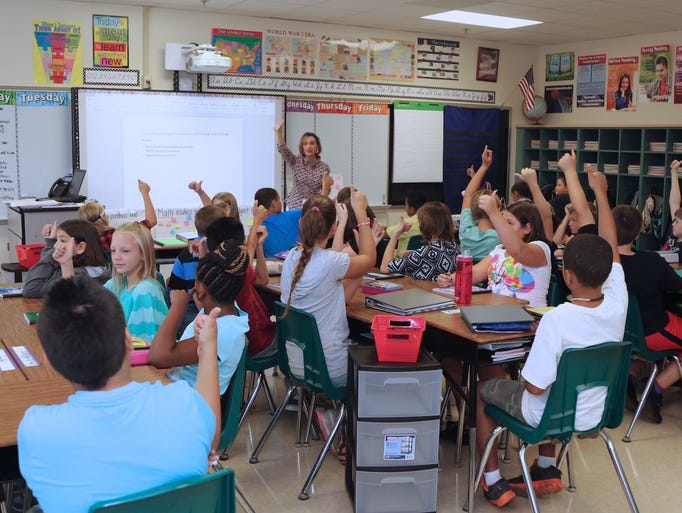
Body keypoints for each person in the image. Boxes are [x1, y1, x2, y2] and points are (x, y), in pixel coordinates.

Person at [476, 169, 626, 507]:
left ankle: (493, 481)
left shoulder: (557, 319)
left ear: (567, 275)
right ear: (608, 273)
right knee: (556, 384)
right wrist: (599, 193)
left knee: (483, 393)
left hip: (549, 415)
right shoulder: (618, 302)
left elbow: (532, 388)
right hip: (596, 413)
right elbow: (611, 249)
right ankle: (546, 467)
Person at [17, 275, 220, 513]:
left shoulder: (36, 430)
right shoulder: (186, 406)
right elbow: (211, 434)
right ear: (128, 339)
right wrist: (207, 347)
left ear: (49, 362)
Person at [280, 189, 375, 386]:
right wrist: (360, 213)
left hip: (298, 365)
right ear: (333, 227)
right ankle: (336, 412)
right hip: (331, 369)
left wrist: (339, 227)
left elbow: (331, 263)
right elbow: (369, 259)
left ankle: (327, 410)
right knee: (376, 351)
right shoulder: (331, 263)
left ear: (301, 223)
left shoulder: (291, 258)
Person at [149, 240, 249, 395]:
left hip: (190, 409)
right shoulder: (223, 311)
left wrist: (177, 306)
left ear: (200, 289)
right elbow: (217, 280)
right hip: (184, 394)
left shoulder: (219, 332)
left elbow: (157, 357)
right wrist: (205, 260)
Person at [614, 204, 682, 423]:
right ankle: (655, 389)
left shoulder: (606, 263)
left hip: (623, 331)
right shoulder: (651, 261)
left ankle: (631, 378)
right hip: (652, 331)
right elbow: (676, 285)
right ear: (636, 234)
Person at [205, 216, 277, 358]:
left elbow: (262, 280)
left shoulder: (209, 272)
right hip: (258, 344)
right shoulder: (239, 270)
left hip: (233, 347)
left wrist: (259, 246)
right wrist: (259, 246)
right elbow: (263, 280)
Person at [168, 205, 227, 338]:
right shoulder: (192, 255)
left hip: (202, 306)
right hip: (187, 310)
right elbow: (199, 300)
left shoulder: (212, 249)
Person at [104, 222, 168, 342]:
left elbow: (141, 346)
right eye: (113, 250)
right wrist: (66, 263)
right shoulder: (115, 284)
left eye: (125, 251)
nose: (116, 256)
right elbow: (81, 302)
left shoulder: (145, 289)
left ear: (143, 254)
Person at [22, 219, 110, 298]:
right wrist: (50, 241)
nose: (55, 245)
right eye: (56, 240)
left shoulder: (82, 274)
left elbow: (31, 289)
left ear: (80, 247)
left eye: (63, 241)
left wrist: (51, 253)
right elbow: (43, 274)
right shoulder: (83, 262)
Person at [380, 201, 459, 282]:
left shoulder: (422, 254)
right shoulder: (454, 246)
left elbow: (385, 268)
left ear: (424, 226)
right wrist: (415, 253)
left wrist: (396, 233)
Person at [77, 179, 157, 250]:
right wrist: (145, 193)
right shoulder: (114, 236)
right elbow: (151, 221)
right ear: (103, 217)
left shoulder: (82, 243)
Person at [274, 122, 332, 209]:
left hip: (313, 207)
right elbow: (283, 149)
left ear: (317, 147)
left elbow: (325, 190)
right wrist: (279, 132)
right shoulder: (296, 161)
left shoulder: (324, 167)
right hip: (294, 206)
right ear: (302, 147)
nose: (309, 146)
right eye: (305, 144)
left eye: (312, 143)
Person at [458, 146, 502, 262]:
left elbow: (468, 194)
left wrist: (484, 166)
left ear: (473, 209)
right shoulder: (499, 237)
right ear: (496, 209)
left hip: (468, 278)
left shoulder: (465, 232)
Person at [254, 187, 302, 257]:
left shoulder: (256, 227)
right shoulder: (294, 215)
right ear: (274, 204)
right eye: (279, 200)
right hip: (297, 263)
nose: (281, 203)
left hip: (270, 265)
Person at [384, 191, 427, 259]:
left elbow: (384, 234)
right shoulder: (431, 221)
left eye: (406, 205)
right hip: (423, 261)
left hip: (404, 262)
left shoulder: (408, 223)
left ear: (412, 209)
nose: (405, 208)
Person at [662, 159, 682, 256]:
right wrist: (674, 172)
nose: (673, 224)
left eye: (677, 222)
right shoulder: (675, 233)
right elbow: (674, 202)